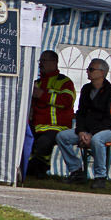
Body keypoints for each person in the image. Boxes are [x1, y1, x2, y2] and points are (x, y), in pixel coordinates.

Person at [54, 58, 111, 189]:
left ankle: (100, 177)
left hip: (107, 130)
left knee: (97, 140)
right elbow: (81, 113)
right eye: (88, 69)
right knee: (62, 137)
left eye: (91, 69)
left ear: (102, 72)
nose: (87, 72)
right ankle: (76, 171)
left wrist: (91, 133)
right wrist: (81, 131)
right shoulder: (85, 89)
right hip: (87, 130)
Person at [27, 50, 76, 179]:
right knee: (26, 139)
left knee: (44, 143)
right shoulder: (37, 83)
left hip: (57, 127)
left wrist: (42, 94)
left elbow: (66, 101)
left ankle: (40, 168)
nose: (40, 64)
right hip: (36, 126)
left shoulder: (65, 82)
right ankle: (31, 167)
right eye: (40, 61)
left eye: (44, 61)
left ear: (54, 62)